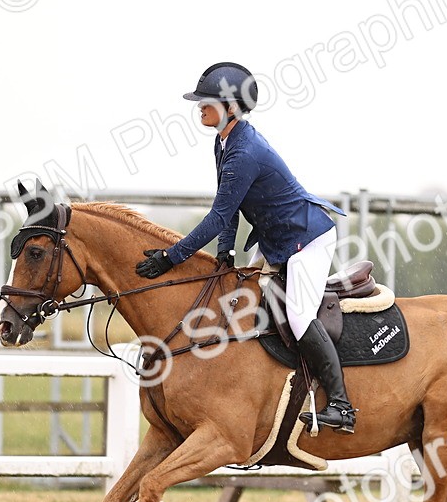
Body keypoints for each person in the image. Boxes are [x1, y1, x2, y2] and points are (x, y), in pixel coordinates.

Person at [135, 62, 357, 434]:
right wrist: (225, 253)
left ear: (232, 107)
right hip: (275, 241)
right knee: (242, 299)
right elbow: (229, 207)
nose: (199, 107)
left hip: (307, 240)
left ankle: (341, 405)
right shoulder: (224, 142)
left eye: (207, 101)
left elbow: (217, 216)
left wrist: (170, 258)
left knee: (298, 315)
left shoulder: (244, 152)